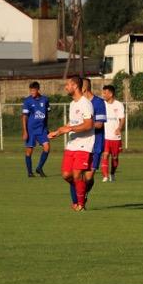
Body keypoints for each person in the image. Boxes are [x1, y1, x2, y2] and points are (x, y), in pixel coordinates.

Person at [48, 75, 95, 211]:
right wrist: (58, 132)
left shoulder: (85, 103)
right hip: (72, 145)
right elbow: (72, 123)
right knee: (66, 175)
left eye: (68, 85)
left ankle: (80, 204)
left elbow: (88, 125)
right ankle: (82, 188)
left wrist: (70, 129)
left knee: (76, 174)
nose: (66, 87)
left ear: (75, 86)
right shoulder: (73, 104)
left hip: (84, 145)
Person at [81, 78, 109, 193]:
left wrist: (85, 125)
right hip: (81, 144)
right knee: (78, 175)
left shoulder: (98, 102)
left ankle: (83, 195)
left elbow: (99, 124)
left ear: (84, 89)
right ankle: (80, 198)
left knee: (88, 177)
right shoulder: (79, 103)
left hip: (95, 144)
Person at [21, 81, 51, 177]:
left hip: (42, 129)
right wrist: (25, 131)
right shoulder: (27, 101)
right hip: (31, 130)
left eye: (33, 90)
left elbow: (46, 115)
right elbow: (24, 117)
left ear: (38, 90)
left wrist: (46, 127)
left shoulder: (45, 100)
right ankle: (30, 172)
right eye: (31, 90)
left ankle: (39, 168)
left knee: (47, 147)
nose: (32, 92)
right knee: (29, 151)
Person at [101, 84, 125, 182]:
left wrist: (119, 128)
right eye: (103, 93)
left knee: (115, 157)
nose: (103, 95)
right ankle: (105, 176)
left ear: (110, 94)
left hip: (115, 137)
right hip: (105, 136)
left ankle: (112, 173)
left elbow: (122, 119)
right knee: (105, 154)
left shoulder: (118, 105)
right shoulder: (102, 104)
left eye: (105, 93)